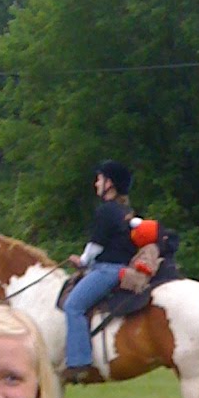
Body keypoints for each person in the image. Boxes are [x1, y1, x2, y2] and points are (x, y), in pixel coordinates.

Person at [62, 159, 137, 382]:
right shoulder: (125, 211)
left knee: (73, 306)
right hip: (120, 268)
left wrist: (82, 260)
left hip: (107, 270)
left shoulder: (106, 210)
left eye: (99, 179)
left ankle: (79, 362)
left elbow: (96, 245)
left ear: (109, 184)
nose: (96, 183)